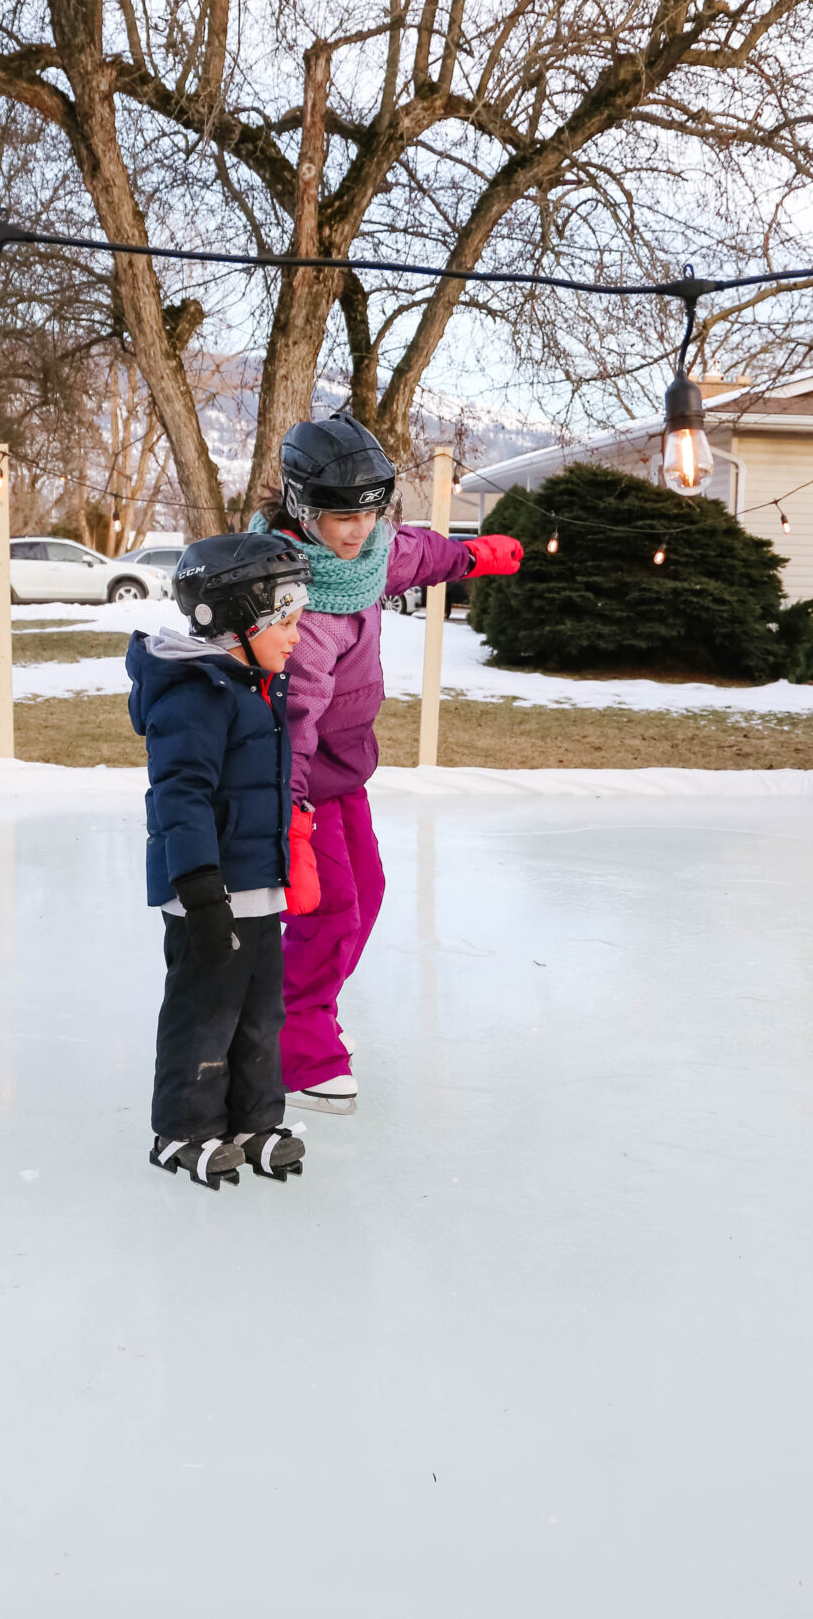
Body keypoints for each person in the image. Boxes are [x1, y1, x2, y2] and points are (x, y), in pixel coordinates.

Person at [253, 416, 524, 1113]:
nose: (357, 531)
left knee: (365, 894)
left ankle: (284, 1008)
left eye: (369, 513)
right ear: (302, 508)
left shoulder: (370, 554)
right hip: (297, 778)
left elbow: (415, 552)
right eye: (341, 517)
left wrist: (473, 558)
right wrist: (288, 815)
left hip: (345, 770)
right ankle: (297, 1042)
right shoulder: (296, 598)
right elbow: (294, 714)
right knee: (330, 909)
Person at [125, 532, 320, 1191]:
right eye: (286, 622)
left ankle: (254, 1122)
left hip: (259, 887)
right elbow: (181, 797)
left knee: (261, 1014)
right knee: (204, 1014)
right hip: (209, 893)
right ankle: (182, 1131)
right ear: (237, 619)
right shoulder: (195, 692)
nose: (297, 636)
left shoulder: (256, 687)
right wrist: (201, 888)